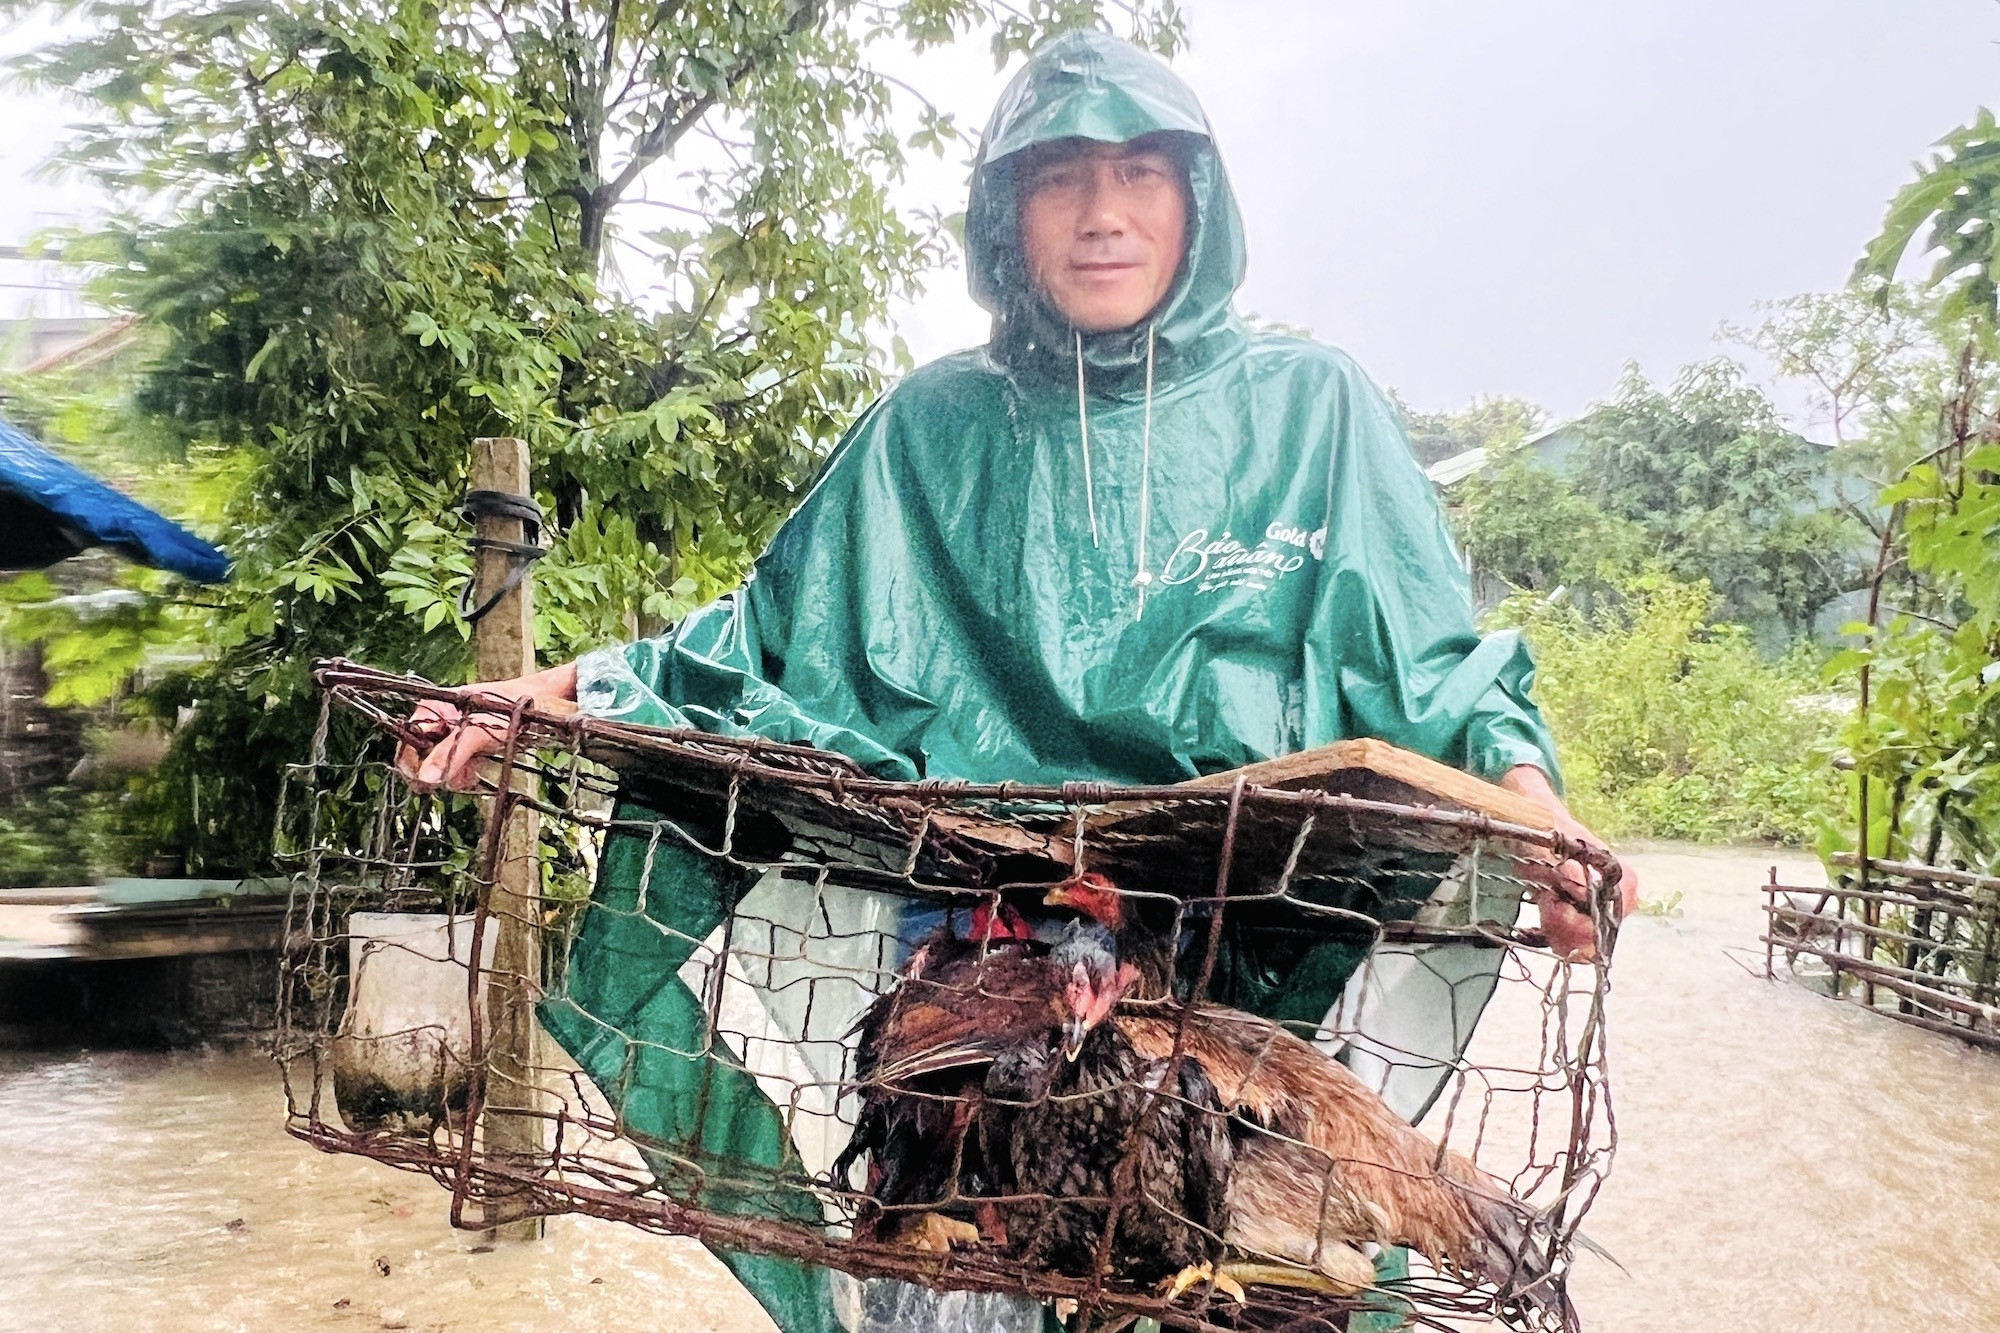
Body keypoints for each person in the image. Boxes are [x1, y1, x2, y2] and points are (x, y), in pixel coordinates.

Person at [399, 29, 1634, 1333]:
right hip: (974, 943)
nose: (1103, 214)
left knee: (1230, 1275)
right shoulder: (931, 431)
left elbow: (1436, 666)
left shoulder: (1310, 411)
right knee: (951, 1261)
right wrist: (533, 694)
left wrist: (1537, 820)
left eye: (1141, 173)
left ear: (1197, 201)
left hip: (1247, 933)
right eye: (1060, 178)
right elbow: (756, 646)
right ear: (1005, 215)